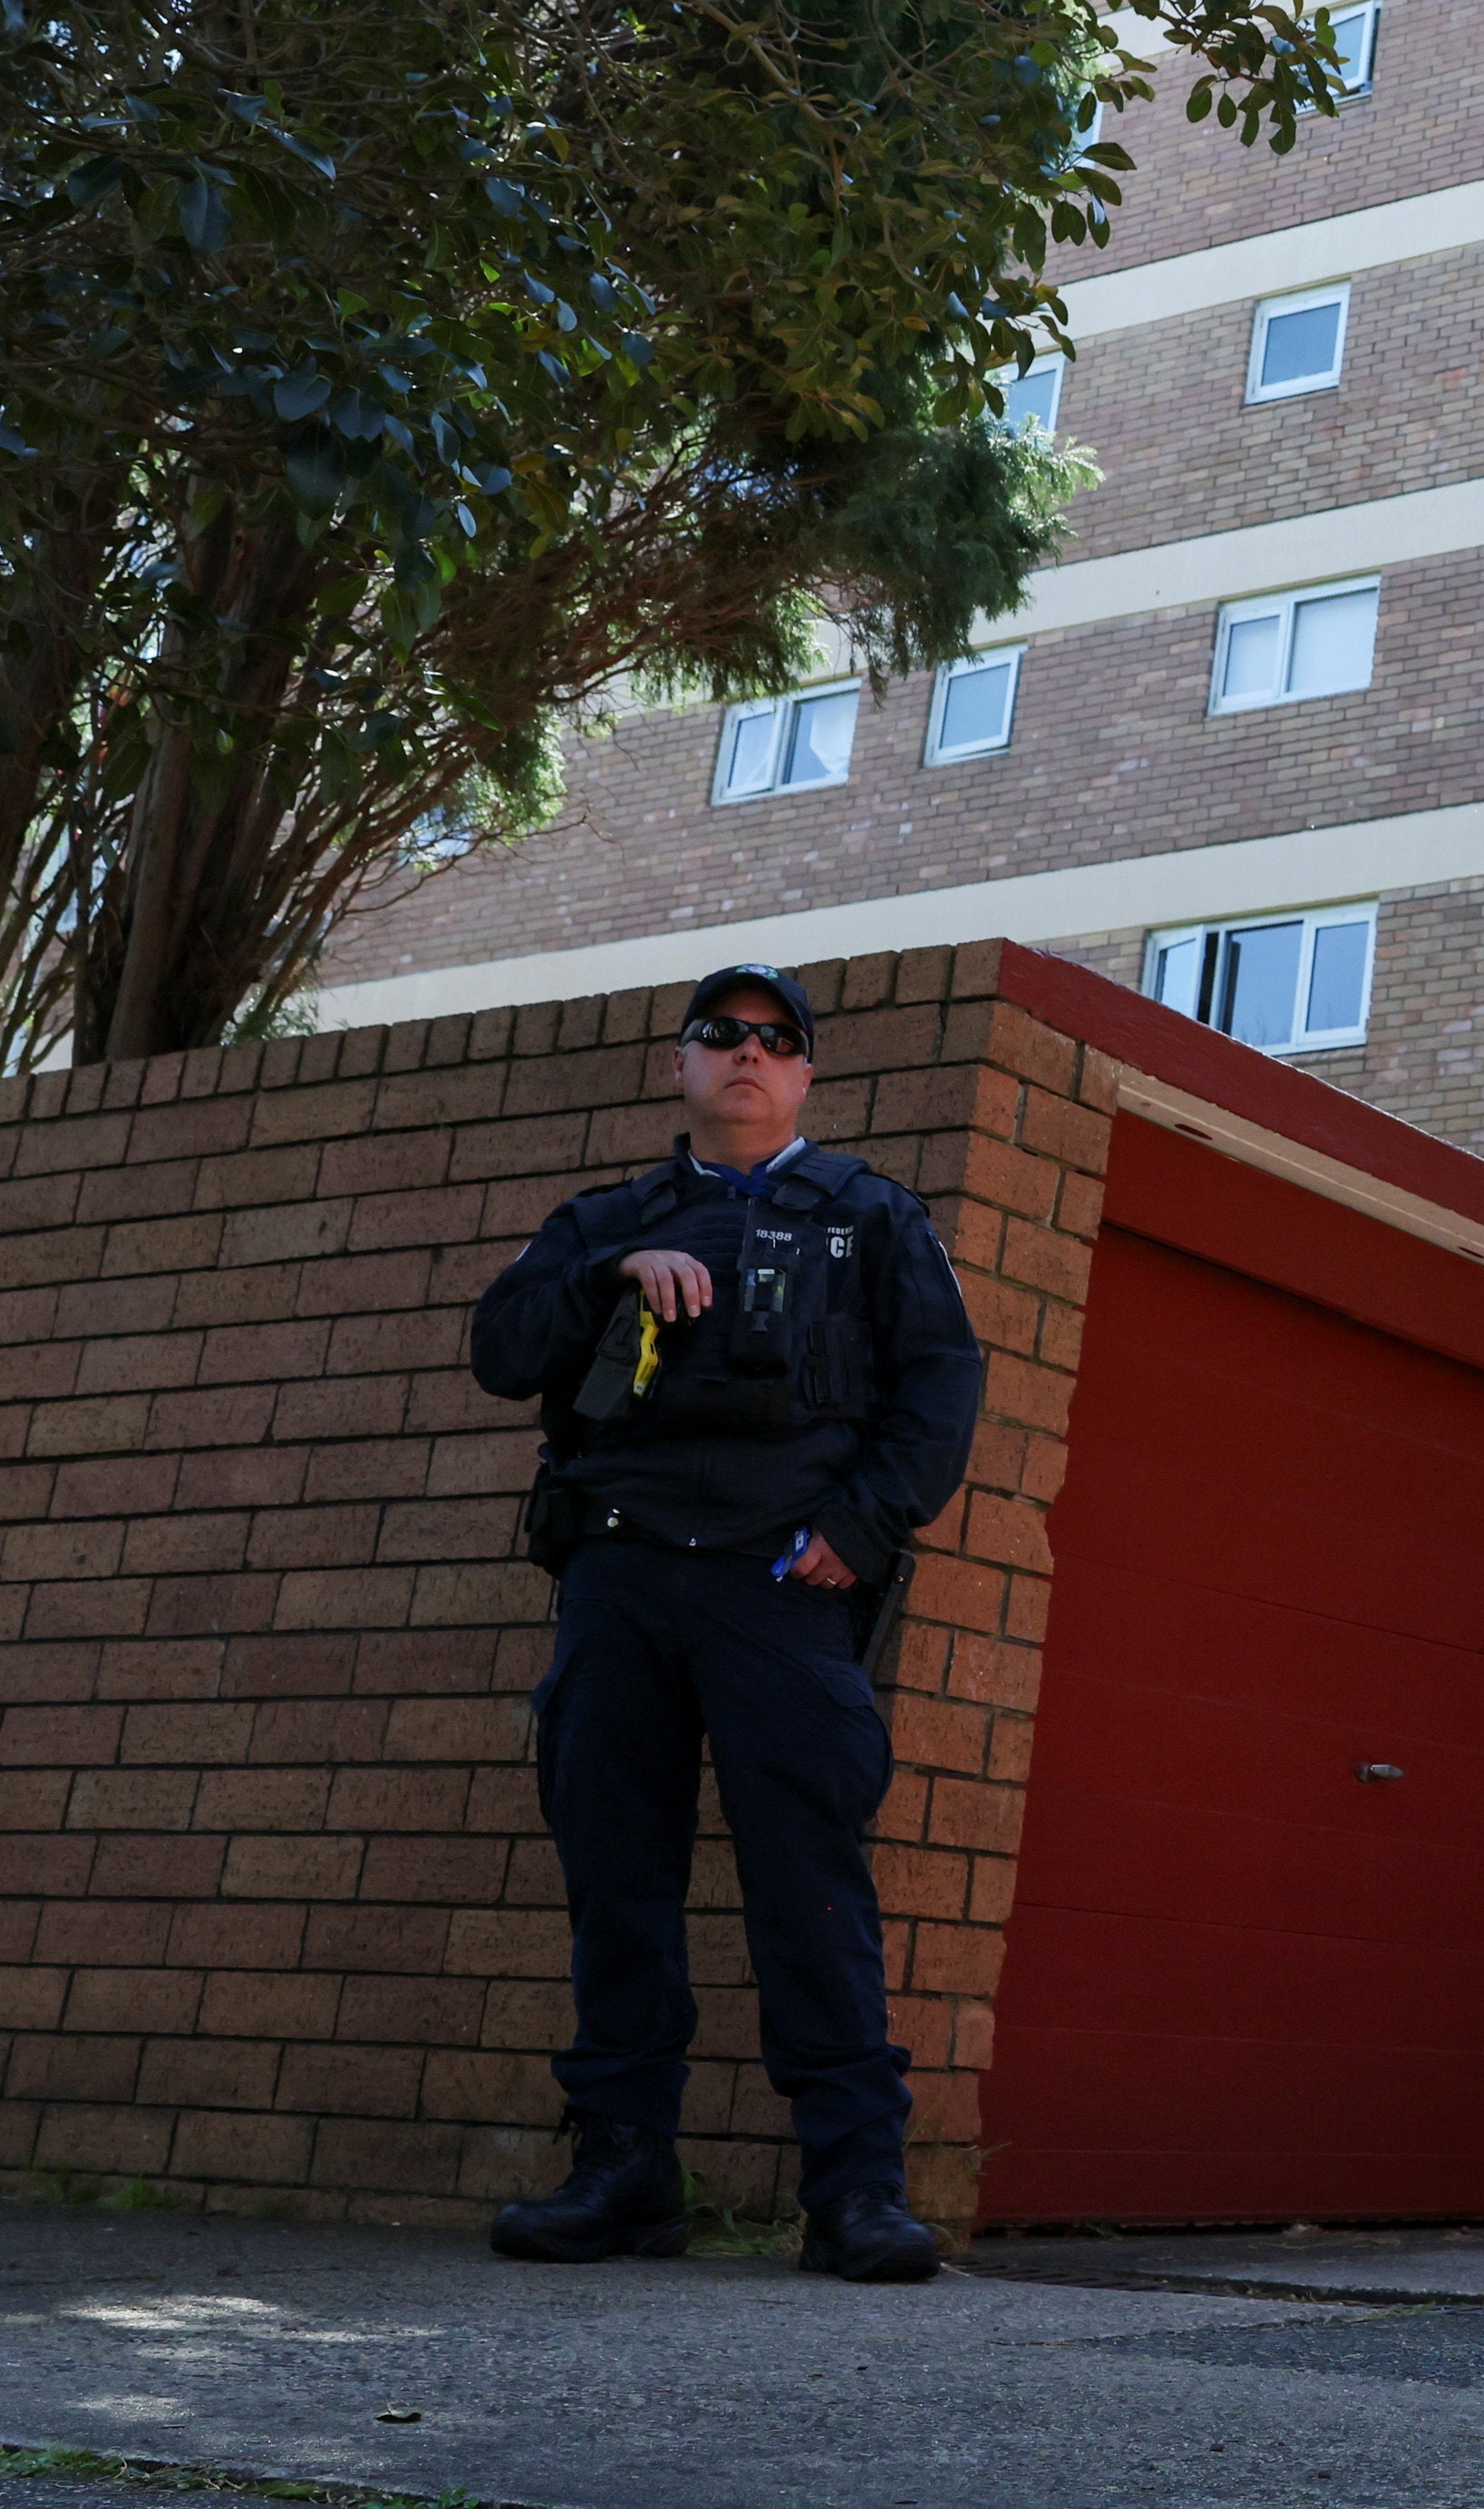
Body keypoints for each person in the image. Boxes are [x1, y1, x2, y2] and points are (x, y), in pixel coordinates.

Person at [468, 964, 984, 2282]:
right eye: (720, 1034)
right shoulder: (608, 1218)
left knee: (812, 1886)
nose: (746, 1053)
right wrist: (610, 1272)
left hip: (783, 1585)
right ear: (681, 1065)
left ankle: (855, 2191)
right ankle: (625, 2175)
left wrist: (862, 1528)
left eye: (775, 1039)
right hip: (623, 1577)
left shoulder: (874, 1216)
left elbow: (941, 1389)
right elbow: (502, 1349)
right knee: (618, 1878)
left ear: (805, 1073)